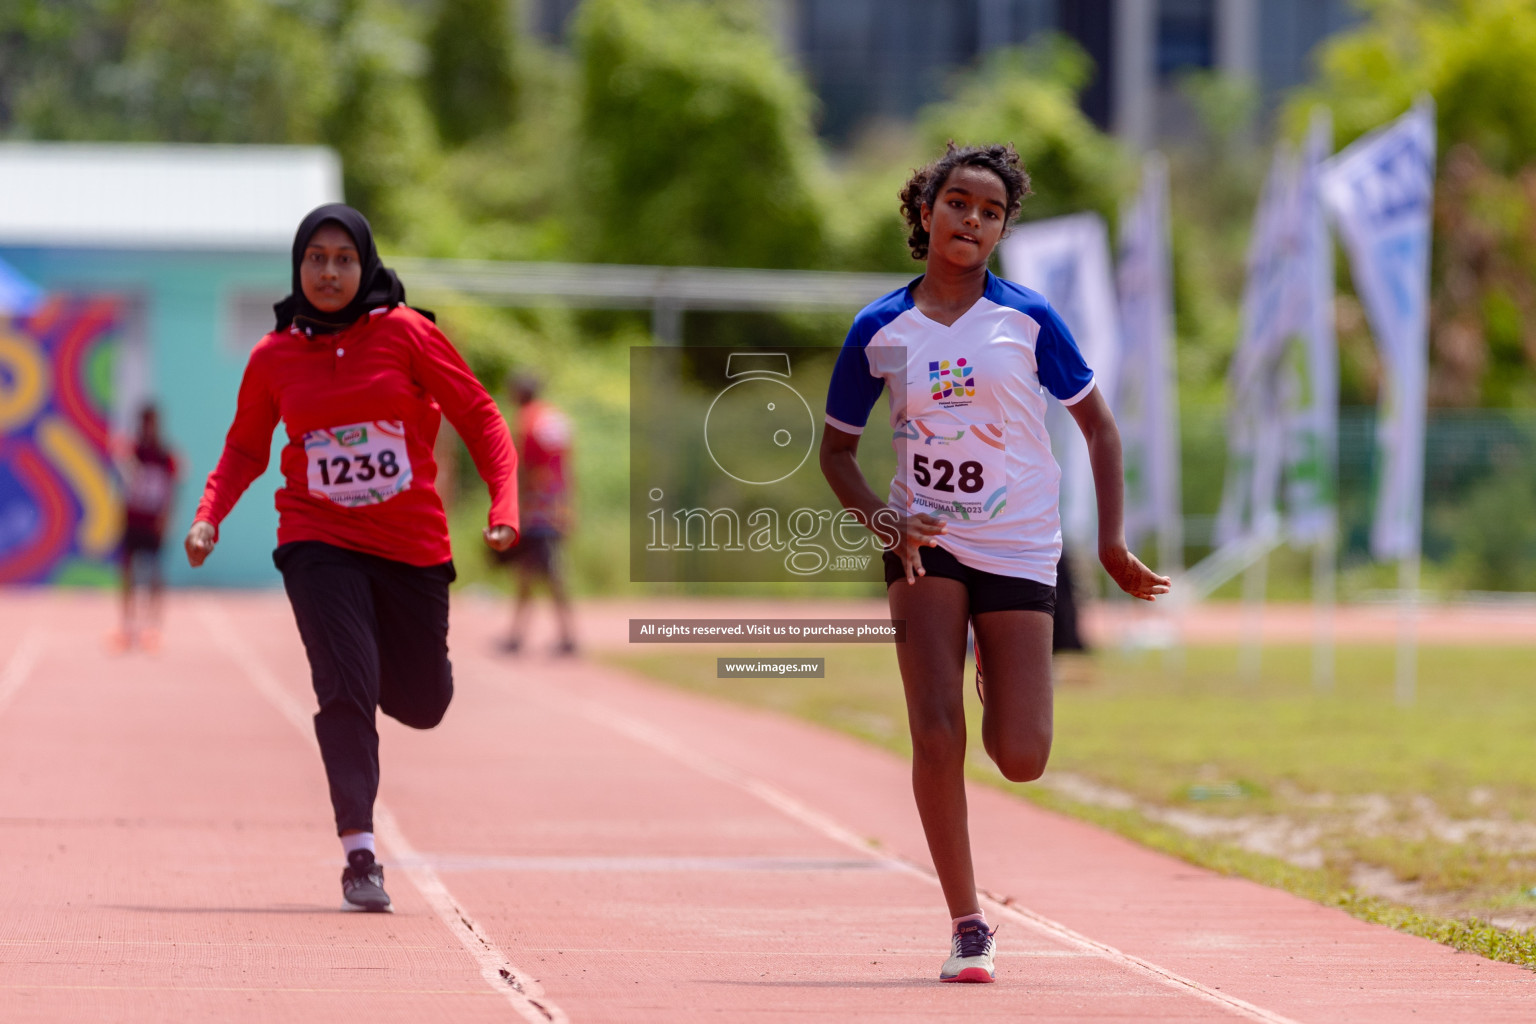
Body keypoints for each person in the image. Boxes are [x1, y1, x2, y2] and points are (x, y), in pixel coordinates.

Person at [819, 143, 1169, 983]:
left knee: (1021, 755)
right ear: (926, 211)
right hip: (925, 548)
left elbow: (1100, 428)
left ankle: (995, 675)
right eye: (958, 203)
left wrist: (1110, 542)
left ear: (1003, 228)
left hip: (1019, 546)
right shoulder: (879, 328)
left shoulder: (1029, 318)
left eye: (991, 210)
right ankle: (968, 924)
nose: (972, 219)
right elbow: (835, 452)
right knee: (935, 735)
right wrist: (884, 522)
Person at [185, 204, 518, 913]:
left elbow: (482, 416)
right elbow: (247, 447)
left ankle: (385, 673)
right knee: (344, 685)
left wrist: (504, 506)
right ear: (298, 268)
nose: (328, 272)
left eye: (342, 259)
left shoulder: (407, 335)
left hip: (409, 547)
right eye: (315, 259)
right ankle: (359, 855)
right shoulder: (274, 356)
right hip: (317, 539)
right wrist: (209, 514)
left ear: (363, 265)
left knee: (425, 704)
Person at [496, 374, 576, 655]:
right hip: (556, 503)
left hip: (536, 508)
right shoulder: (556, 419)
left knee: (547, 572)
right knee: (531, 571)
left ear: (519, 393)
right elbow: (566, 466)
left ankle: (567, 637)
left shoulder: (526, 421)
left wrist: (514, 506)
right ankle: (519, 635)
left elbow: (526, 467)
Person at [113, 403, 180, 651]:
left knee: (154, 575)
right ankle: (127, 625)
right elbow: (123, 483)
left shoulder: (165, 455)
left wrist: (166, 519)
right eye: (145, 423)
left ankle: (153, 626)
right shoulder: (133, 452)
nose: (149, 428)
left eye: (153, 423)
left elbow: (172, 490)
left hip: (153, 524)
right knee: (128, 575)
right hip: (133, 521)